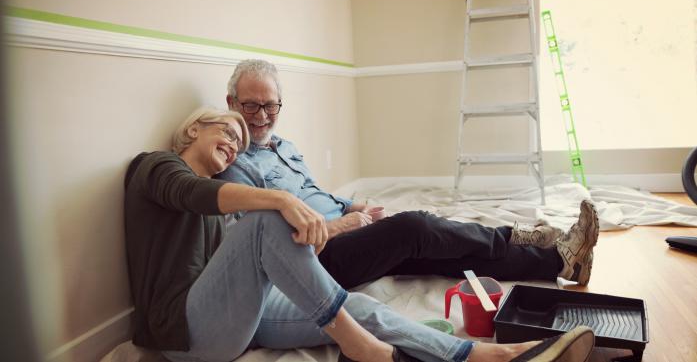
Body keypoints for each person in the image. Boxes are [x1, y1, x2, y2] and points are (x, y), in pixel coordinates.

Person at [124, 106, 596, 362]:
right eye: (227, 128)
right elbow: (189, 193)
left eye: (240, 141)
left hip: (236, 321)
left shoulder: (236, 182)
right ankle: (361, 348)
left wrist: (344, 209)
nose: (235, 141)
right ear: (193, 128)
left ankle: (486, 357)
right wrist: (284, 202)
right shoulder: (154, 167)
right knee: (267, 219)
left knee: (365, 306)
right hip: (185, 334)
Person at [215, 59, 599, 290]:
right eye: (251, 106)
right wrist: (343, 225)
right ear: (231, 102)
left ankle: (561, 262)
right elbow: (267, 244)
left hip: (352, 230)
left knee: (443, 254)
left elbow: (315, 194)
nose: (262, 116)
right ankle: (512, 236)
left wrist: (352, 205)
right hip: (319, 257)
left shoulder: (285, 147)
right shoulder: (235, 168)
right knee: (415, 226)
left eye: (271, 105)